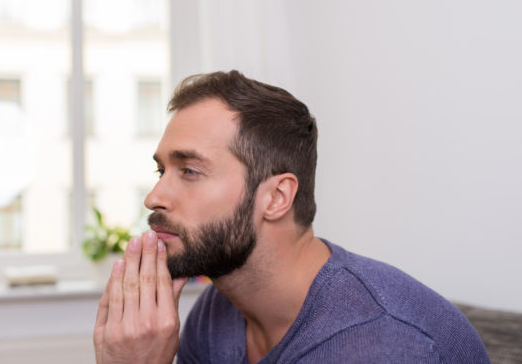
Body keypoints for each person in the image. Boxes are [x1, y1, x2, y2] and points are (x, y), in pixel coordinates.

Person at [93, 70, 489, 363]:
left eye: (190, 172)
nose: (154, 197)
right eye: (161, 172)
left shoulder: (378, 345)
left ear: (277, 197)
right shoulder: (214, 316)